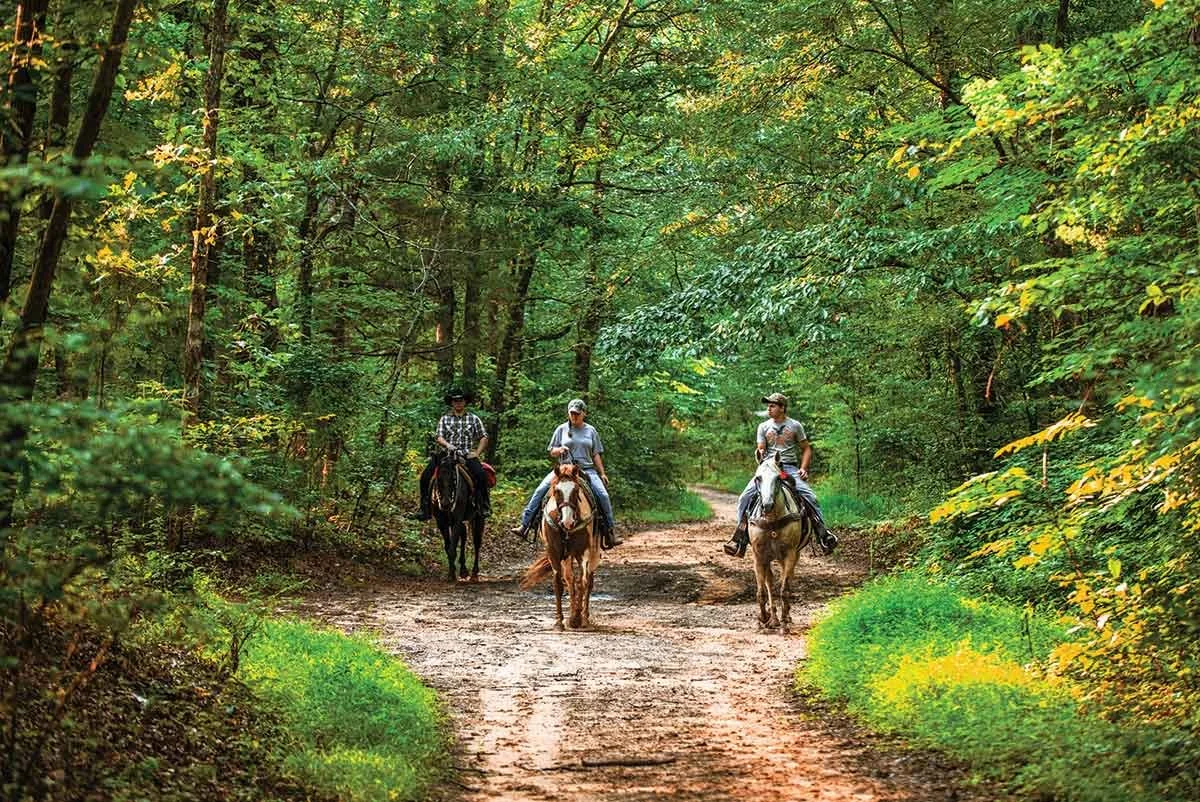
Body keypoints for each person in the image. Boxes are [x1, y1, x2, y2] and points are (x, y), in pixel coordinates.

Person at [723, 392, 837, 557]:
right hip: (768, 468)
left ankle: (823, 535)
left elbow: (806, 449)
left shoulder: (795, 426)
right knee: (744, 498)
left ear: (782, 408)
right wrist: (760, 453)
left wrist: (804, 468)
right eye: (768, 405)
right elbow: (761, 447)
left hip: (789, 468)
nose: (769, 409)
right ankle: (739, 538)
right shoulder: (763, 427)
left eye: (772, 405)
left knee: (810, 497)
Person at [509, 398, 621, 549]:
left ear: (584, 414)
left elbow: (596, 454)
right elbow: (552, 451)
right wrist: (560, 450)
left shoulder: (591, 430)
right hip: (563, 469)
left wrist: (602, 473)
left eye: (577, 414)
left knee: (602, 495)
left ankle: (610, 531)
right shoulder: (561, 429)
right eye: (572, 413)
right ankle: (525, 525)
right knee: (540, 490)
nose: (574, 416)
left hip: (586, 469)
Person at [412, 388, 491, 520]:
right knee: (426, 476)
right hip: (446, 454)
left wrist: (477, 452)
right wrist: (448, 445)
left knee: (481, 475)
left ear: (465, 402)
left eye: (460, 400)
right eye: (455, 401)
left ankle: (483, 506)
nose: (458, 403)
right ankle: (424, 508)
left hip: (466, 454)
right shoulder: (445, 419)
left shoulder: (474, 419)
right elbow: (439, 437)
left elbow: (484, 436)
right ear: (452, 403)